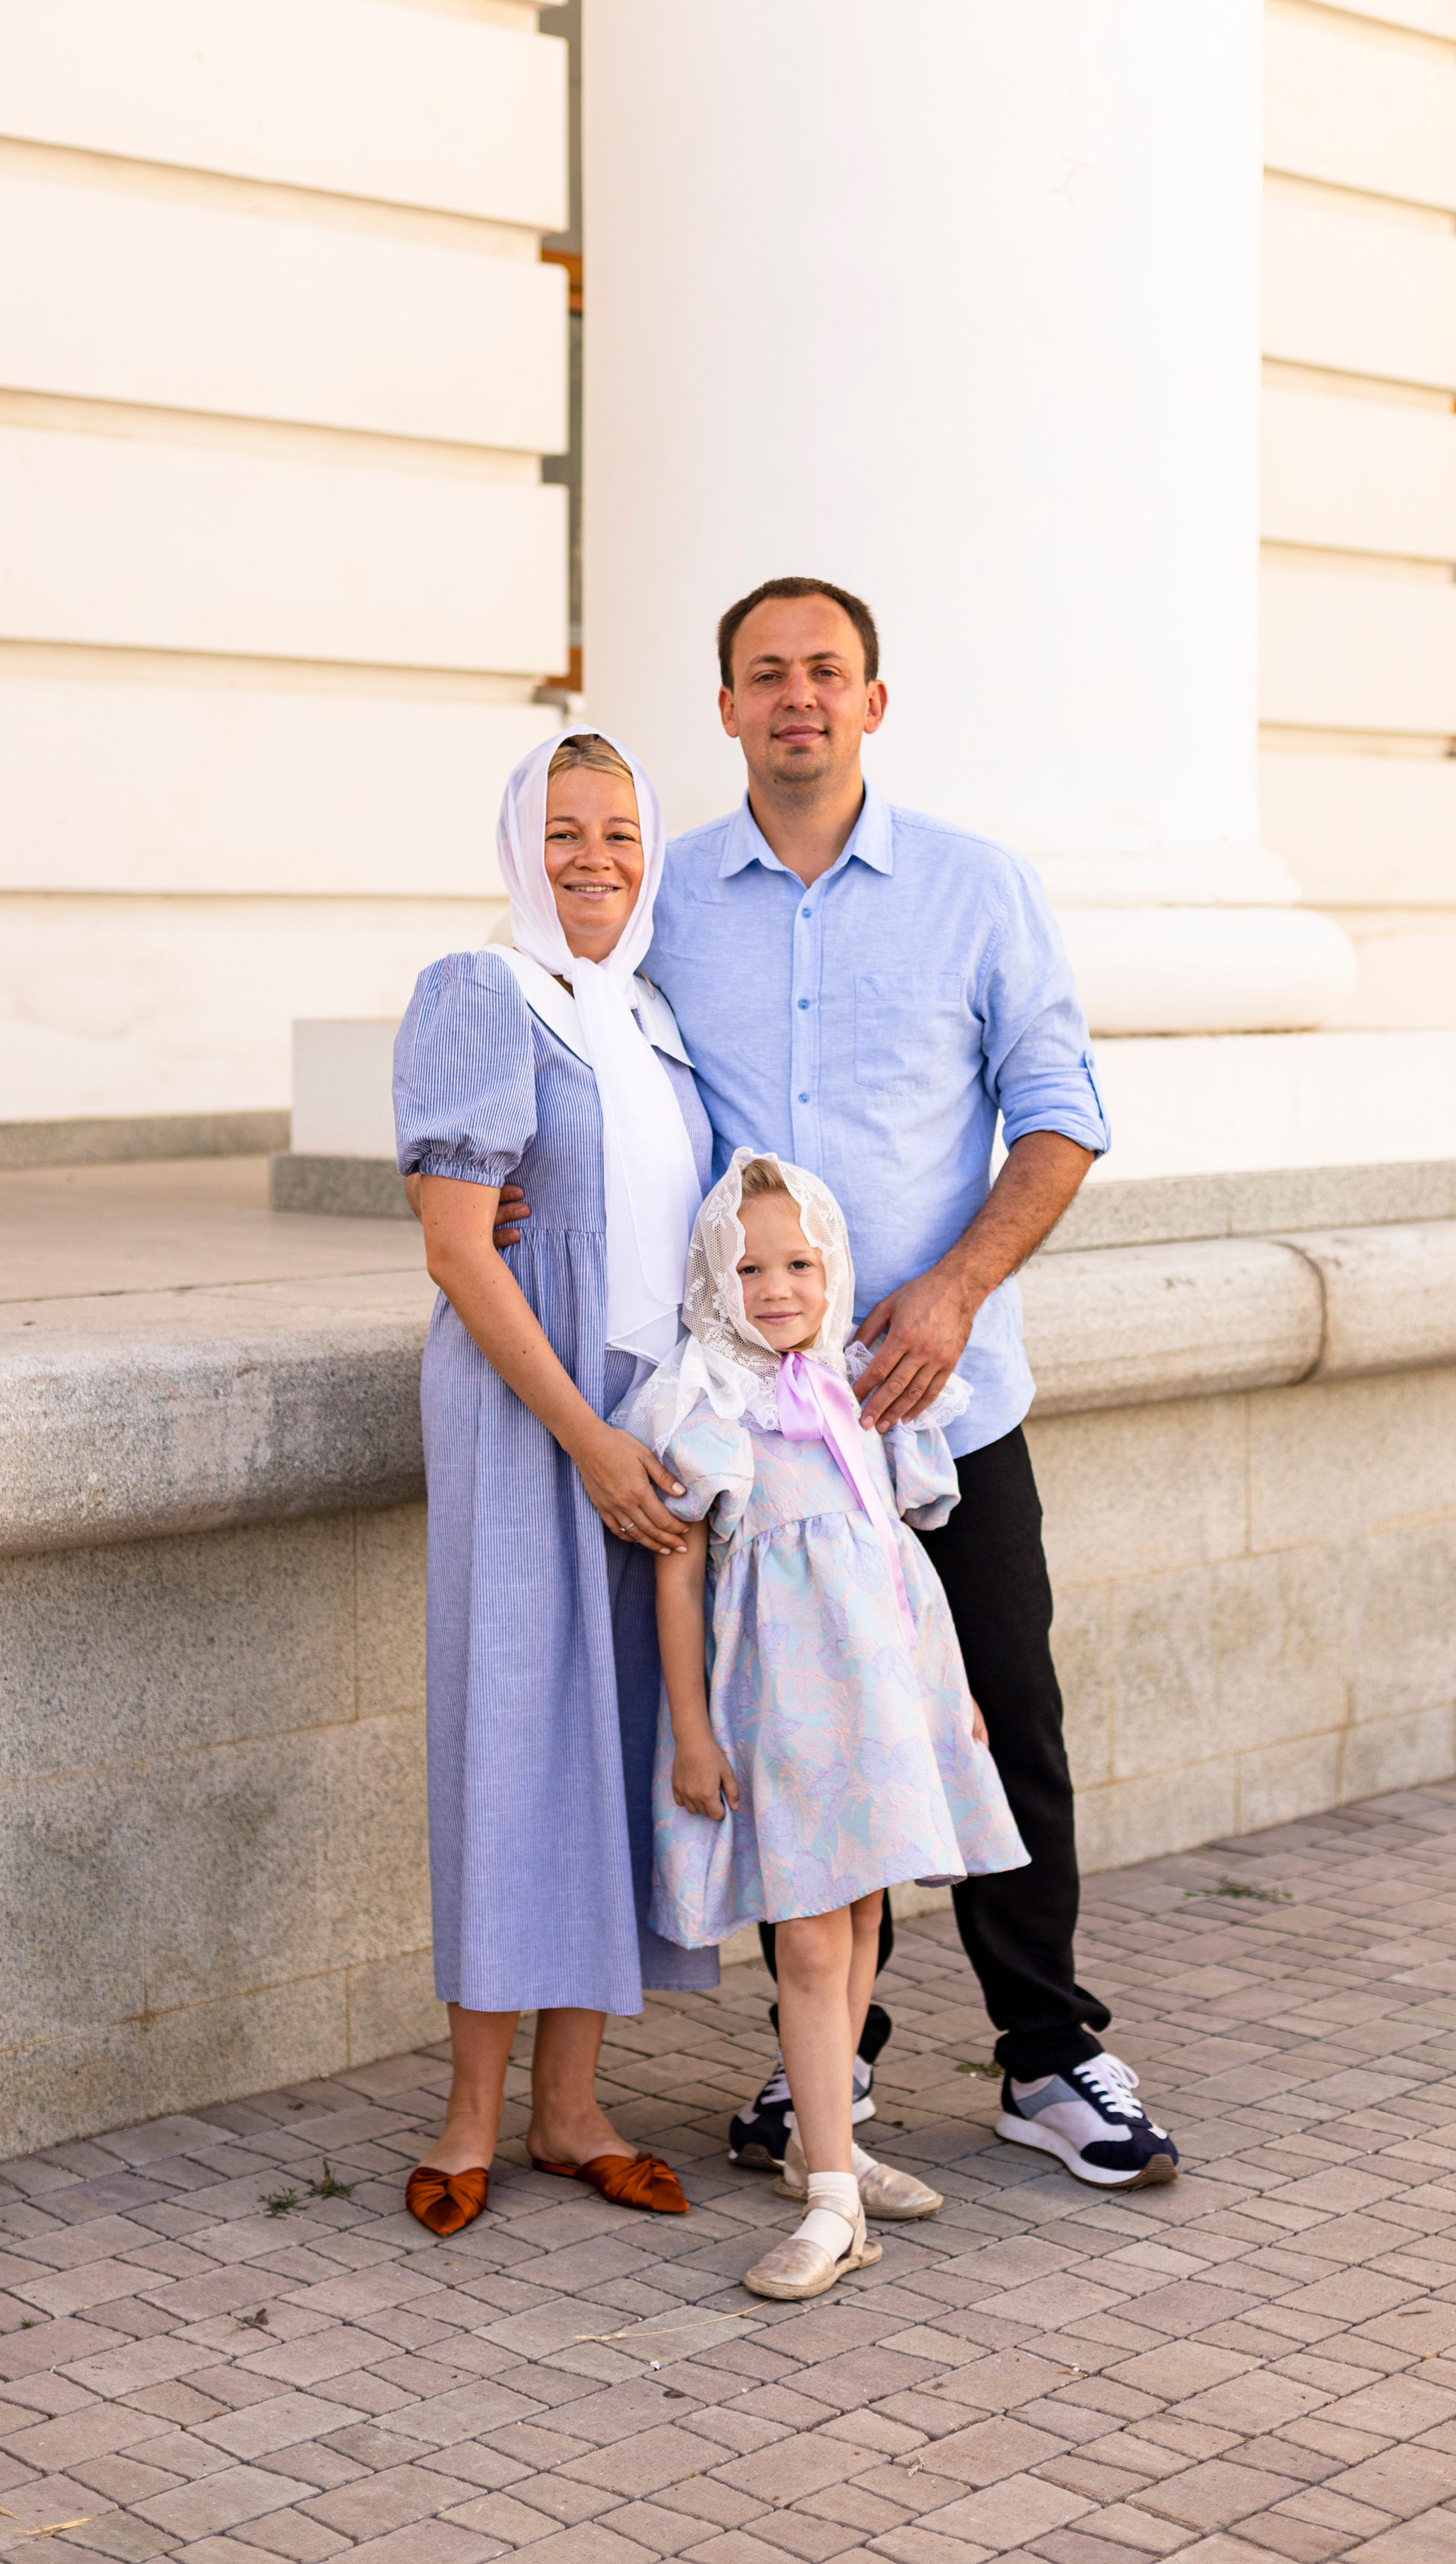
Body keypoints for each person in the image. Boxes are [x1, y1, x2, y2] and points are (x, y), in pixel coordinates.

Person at [604, 573, 1178, 2187]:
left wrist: (952, 1290)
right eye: (765, 674)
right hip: (765, 1442)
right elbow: (605, 1080)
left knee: (1003, 1729)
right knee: (801, 1746)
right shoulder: (671, 906)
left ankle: (1049, 2055)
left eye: (827, 671)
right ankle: (826, 2063)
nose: (797, 696)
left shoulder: (975, 887)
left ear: (873, 700)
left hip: (941, 1402)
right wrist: (508, 1180)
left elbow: (1059, 1115)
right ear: (723, 707)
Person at [390, 729, 713, 2242]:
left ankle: (571, 2113)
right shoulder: (481, 992)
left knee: (625, 1742)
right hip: (537, 1418)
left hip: (647, 1413)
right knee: (515, 1731)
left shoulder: (649, 1013)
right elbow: (461, 1244)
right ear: (520, 843)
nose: (594, 861)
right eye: (565, 832)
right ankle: (468, 2115)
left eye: (621, 834)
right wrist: (585, 1435)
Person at [621, 1149, 1025, 2299]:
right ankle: (836, 2208)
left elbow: (902, 1573)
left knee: (857, 1921)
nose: (777, 1288)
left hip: (879, 1708)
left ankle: (820, 2147)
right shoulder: (707, 1405)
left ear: (833, 1268)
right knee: (805, 1939)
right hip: (778, 1714)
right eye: (749, 1268)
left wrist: (951, 1701)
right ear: (712, 1276)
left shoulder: (860, 1396)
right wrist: (694, 1734)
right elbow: (679, 1577)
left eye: (800, 1263)